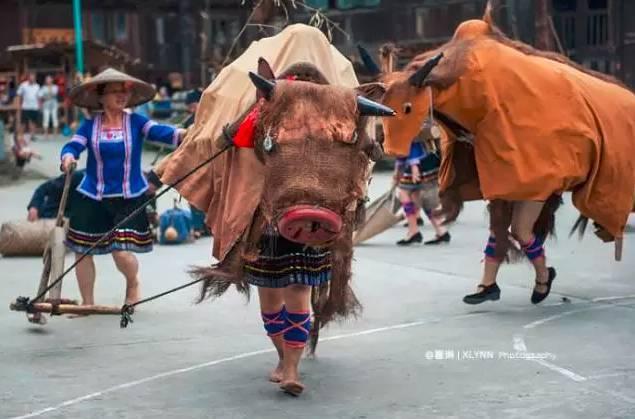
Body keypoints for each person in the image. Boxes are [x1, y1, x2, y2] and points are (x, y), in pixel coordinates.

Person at [59, 68, 186, 307]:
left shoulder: (136, 122)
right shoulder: (89, 126)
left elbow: (160, 131)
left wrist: (184, 133)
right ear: (101, 97)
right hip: (92, 195)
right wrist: (67, 157)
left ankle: (133, 282)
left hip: (129, 196)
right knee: (83, 251)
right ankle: (87, 304)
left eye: (124, 91)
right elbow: (73, 146)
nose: (121, 96)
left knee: (120, 251)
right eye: (114, 91)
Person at [393, 133, 451, 246]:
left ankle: (414, 231)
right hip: (426, 157)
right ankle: (441, 230)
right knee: (417, 195)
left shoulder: (402, 117)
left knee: (404, 192)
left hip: (417, 160)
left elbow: (411, 138)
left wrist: (413, 165)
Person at [16, 72, 41, 142]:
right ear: (28, 78)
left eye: (33, 77)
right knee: (23, 123)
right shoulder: (23, 85)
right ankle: (20, 136)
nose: (32, 78)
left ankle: (32, 136)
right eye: (31, 77)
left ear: (35, 78)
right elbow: (19, 95)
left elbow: (39, 97)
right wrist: (18, 105)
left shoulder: (37, 86)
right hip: (25, 107)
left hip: (34, 106)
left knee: (33, 122)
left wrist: (39, 105)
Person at [38, 75, 59, 139]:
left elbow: (54, 94)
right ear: (46, 81)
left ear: (52, 80)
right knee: (46, 118)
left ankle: (55, 134)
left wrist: (47, 95)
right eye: (47, 79)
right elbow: (40, 95)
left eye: (49, 79)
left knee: (54, 118)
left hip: (54, 104)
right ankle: (46, 134)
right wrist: (47, 96)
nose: (48, 81)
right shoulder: (43, 87)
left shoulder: (55, 87)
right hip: (46, 104)